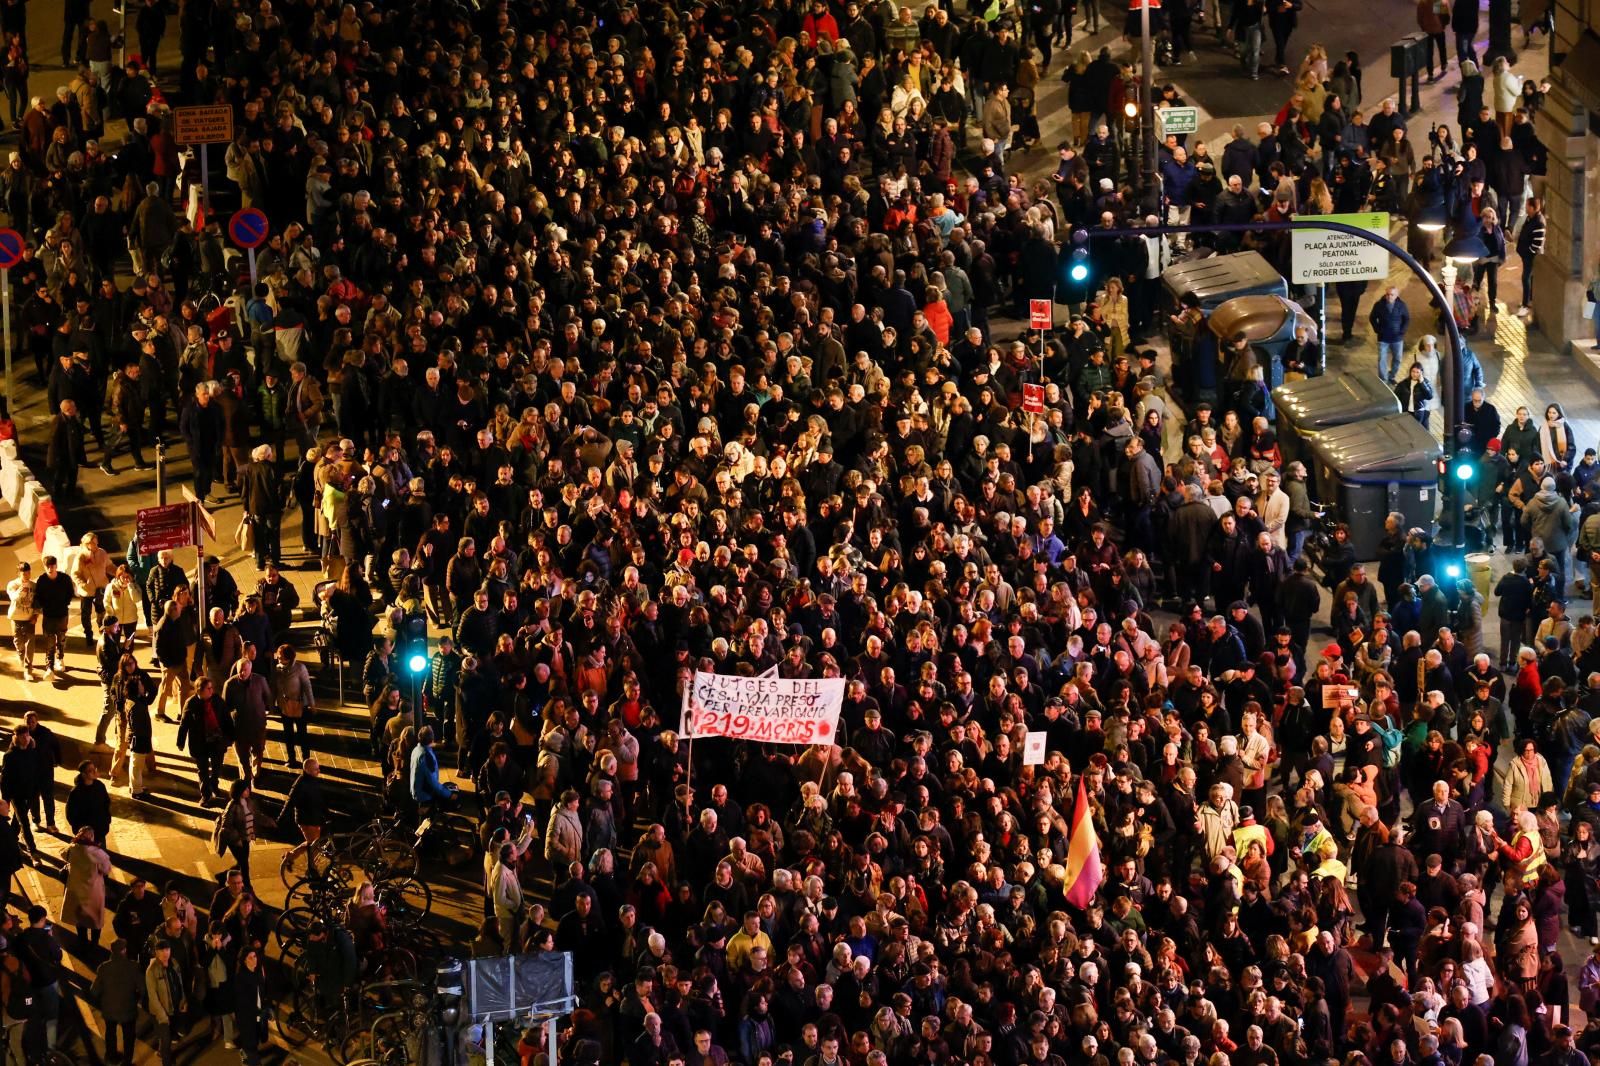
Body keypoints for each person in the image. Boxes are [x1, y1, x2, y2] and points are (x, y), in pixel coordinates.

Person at [60, 825, 111, 960]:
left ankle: (82, 943)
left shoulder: (72, 849)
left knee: (80, 920)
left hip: (76, 890)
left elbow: (62, 854)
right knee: (95, 919)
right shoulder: (97, 853)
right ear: (92, 837)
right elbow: (106, 869)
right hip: (93, 891)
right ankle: (94, 944)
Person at [212, 780, 271, 892]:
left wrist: (268, 821)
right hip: (235, 841)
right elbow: (226, 826)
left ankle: (223, 876)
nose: (248, 790)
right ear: (239, 792)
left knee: (242, 862)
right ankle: (247, 886)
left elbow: (256, 815)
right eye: (245, 789)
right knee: (244, 864)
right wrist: (237, 839)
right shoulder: (232, 806)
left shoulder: (249, 802)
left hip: (246, 838)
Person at [91, 939, 142, 1066]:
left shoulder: (104, 967)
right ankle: (127, 1061)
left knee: (110, 1032)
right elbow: (143, 989)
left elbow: (94, 990)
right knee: (129, 1036)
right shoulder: (133, 966)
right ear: (124, 950)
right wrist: (135, 998)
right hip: (128, 1008)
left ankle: (111, 1056)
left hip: (109, 1009)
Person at [144, 937, 187, 1065]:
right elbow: (153, 997)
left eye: (167, 950)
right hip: (161, 1013)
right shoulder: (151, 971)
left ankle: (161, 1051)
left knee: (167, 1037)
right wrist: (162, 1016)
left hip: (174, 1007)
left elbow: (180, 984)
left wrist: (184, 1000)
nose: (165, 953)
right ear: (156, 953)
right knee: (167, 1039)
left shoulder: (174, 963)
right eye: (162, 951)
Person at [32, 554, 74, 676]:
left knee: (61, 639)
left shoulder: (65, 579)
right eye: (48, 566)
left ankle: (60, 658)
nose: (50, 569)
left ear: (56, 566)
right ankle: (49, 666)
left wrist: (64, 603)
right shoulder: (42, 580)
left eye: (52, 566)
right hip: (49, 616)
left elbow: (70, 593)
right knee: (50, 642)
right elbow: (38, 597)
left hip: (62, 614)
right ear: (45, 567)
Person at [7, 560, 36, 680]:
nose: (27, 576)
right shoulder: (13, 584)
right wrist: (21, 590)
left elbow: (37, 602)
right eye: (24, 573)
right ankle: (20, 654)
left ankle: (28, 669)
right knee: (18, 642)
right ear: (19, 573)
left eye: (28, 573)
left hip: (29, 618)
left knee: (30, 643)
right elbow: (13, 598)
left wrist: (36, 615)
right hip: (15, 617)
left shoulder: (34, 586)